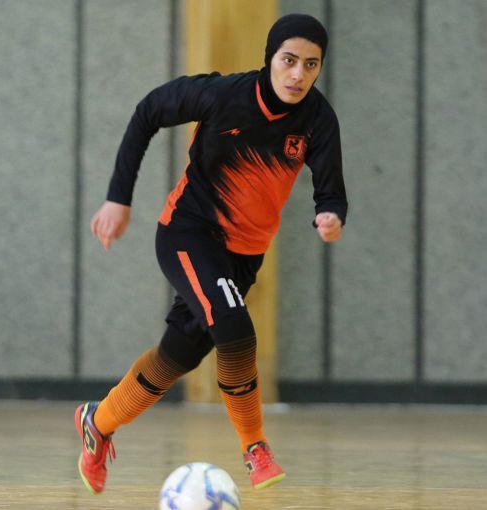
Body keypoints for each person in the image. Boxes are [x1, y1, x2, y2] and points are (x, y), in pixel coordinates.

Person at [75, 13, 347, 493]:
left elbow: (331, 191)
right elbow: (148, 112)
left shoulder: (318, 119)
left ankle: (98, 422)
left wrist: (331, 216)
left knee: (177, 357)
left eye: (311, 64)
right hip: (189, 233)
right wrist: (118, 197)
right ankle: (254, 447)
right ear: (269, 58)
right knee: (236, 332)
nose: (298, 74)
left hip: (244, 255)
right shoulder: (223, 95)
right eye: (288, 60)